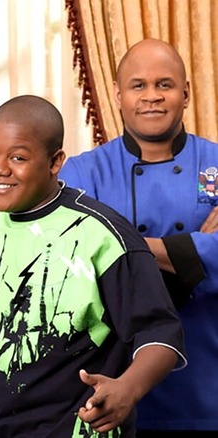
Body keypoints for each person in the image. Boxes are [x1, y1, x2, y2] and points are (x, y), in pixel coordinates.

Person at [0, 95, 185, 437]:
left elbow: (160, 332)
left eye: (18, 157)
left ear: (55, 162)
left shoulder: (103, 235)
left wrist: (127, 389)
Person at [59, 38, 218, 435]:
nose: (152, 97)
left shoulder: (215, 162)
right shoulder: (82, 173)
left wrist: (117, 247)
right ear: (117, 94)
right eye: (138, 85)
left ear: (185, 92)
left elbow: (97, 253)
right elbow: (70, 262)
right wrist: (197, 249)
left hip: (207, 378)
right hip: (114, 382)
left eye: (164, 84)